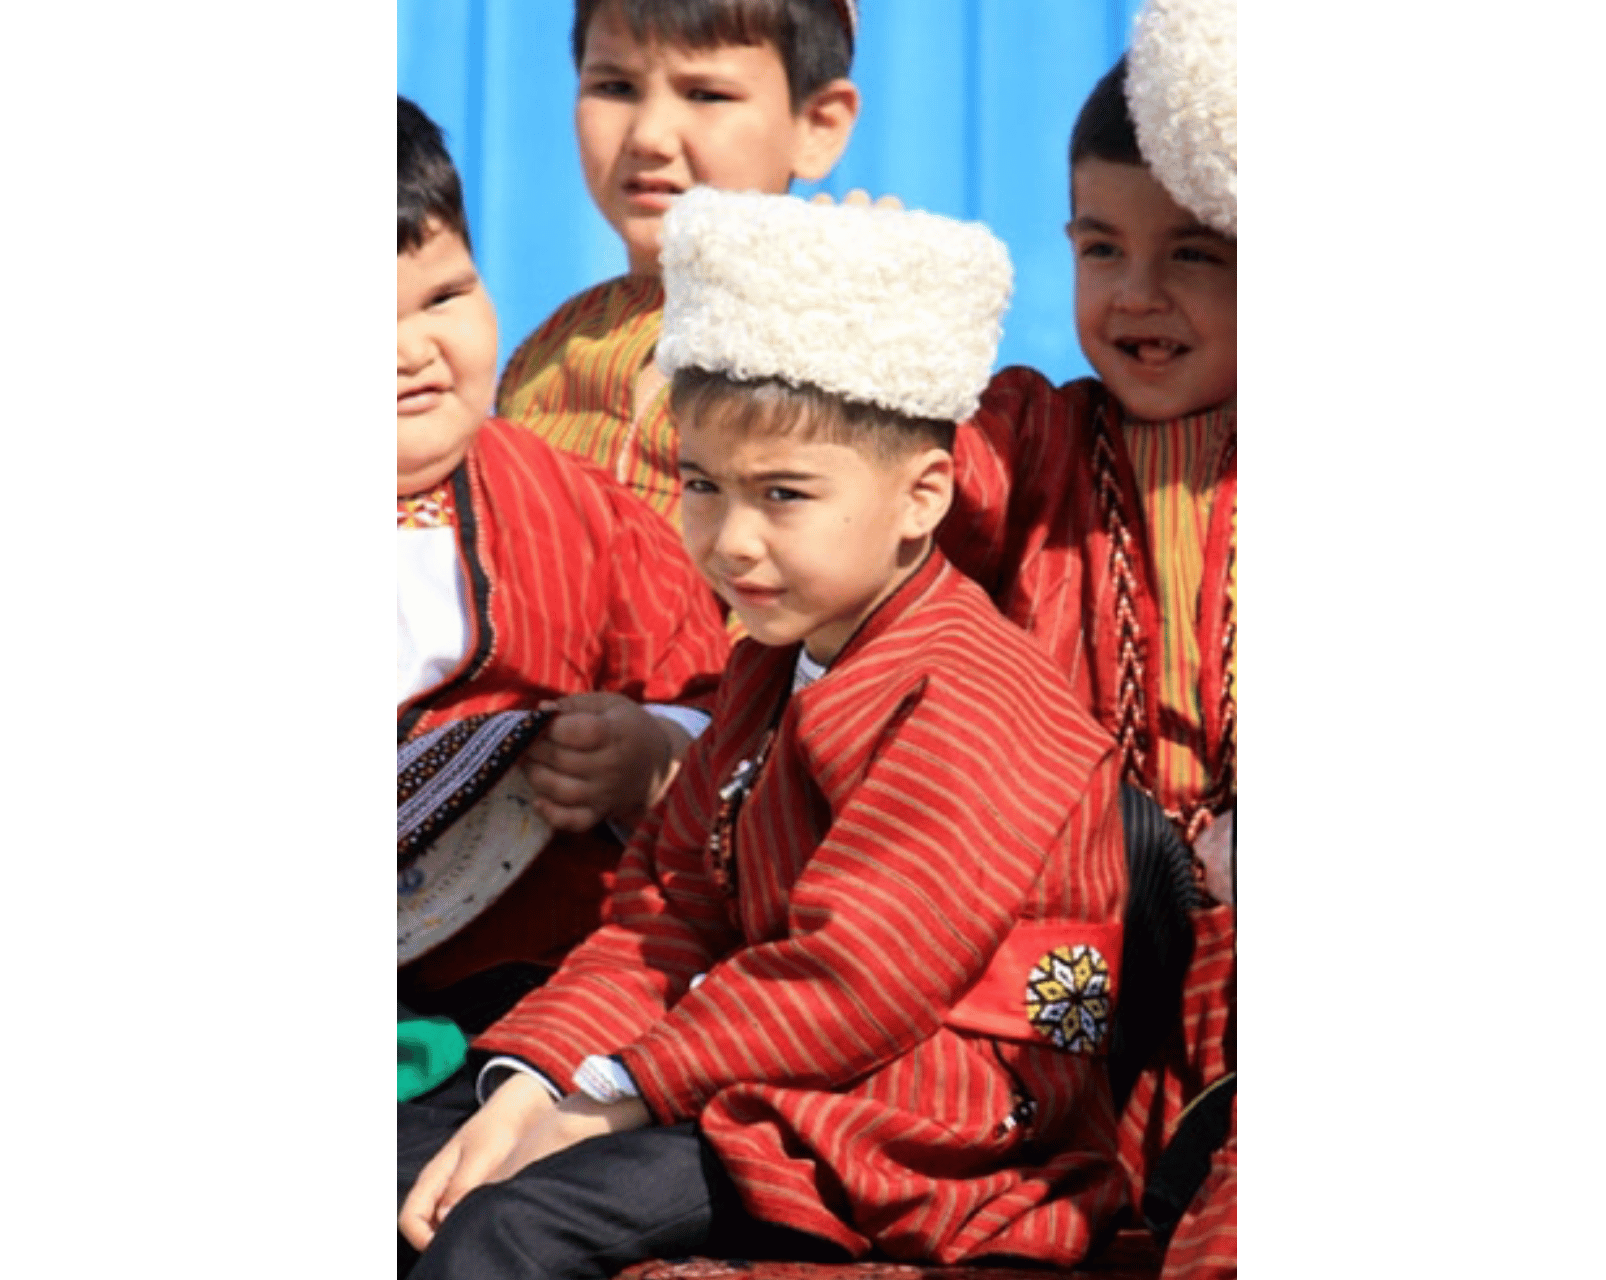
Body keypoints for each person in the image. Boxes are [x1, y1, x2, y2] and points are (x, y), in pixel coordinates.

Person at [399, 188, 1131, 1280]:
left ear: (923, 495)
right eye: (702, 483)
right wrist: (535, 1080)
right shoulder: (768, 666)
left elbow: (857, 973)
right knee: (415, 1162)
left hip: (914, 1127)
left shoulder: (975, 700)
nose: (731, 539)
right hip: (754, 1072)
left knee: (506, 1230)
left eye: (784, 493)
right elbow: (666, 908)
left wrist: (608, 1100)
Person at [940, 4, 1239, 1276]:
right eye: (1100, 245)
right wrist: (882, 342)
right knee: (1027, 1112)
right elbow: (914, 492)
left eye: (1200, 254)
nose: (1136, 295)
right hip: (1073, 939)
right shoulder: (1034, 438)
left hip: (1241, 938)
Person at [396, 95, 730, 1037]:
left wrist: (644, 755)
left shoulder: (577, 511)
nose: (415, 352)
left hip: (545, 987)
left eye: (445, 297)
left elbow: (704, 694)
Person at [496, 0, 862, 524]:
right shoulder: (552, 351)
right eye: (615, 88)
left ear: (817, 126)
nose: (648, 136)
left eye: (706, 94)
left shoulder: (845, 345)